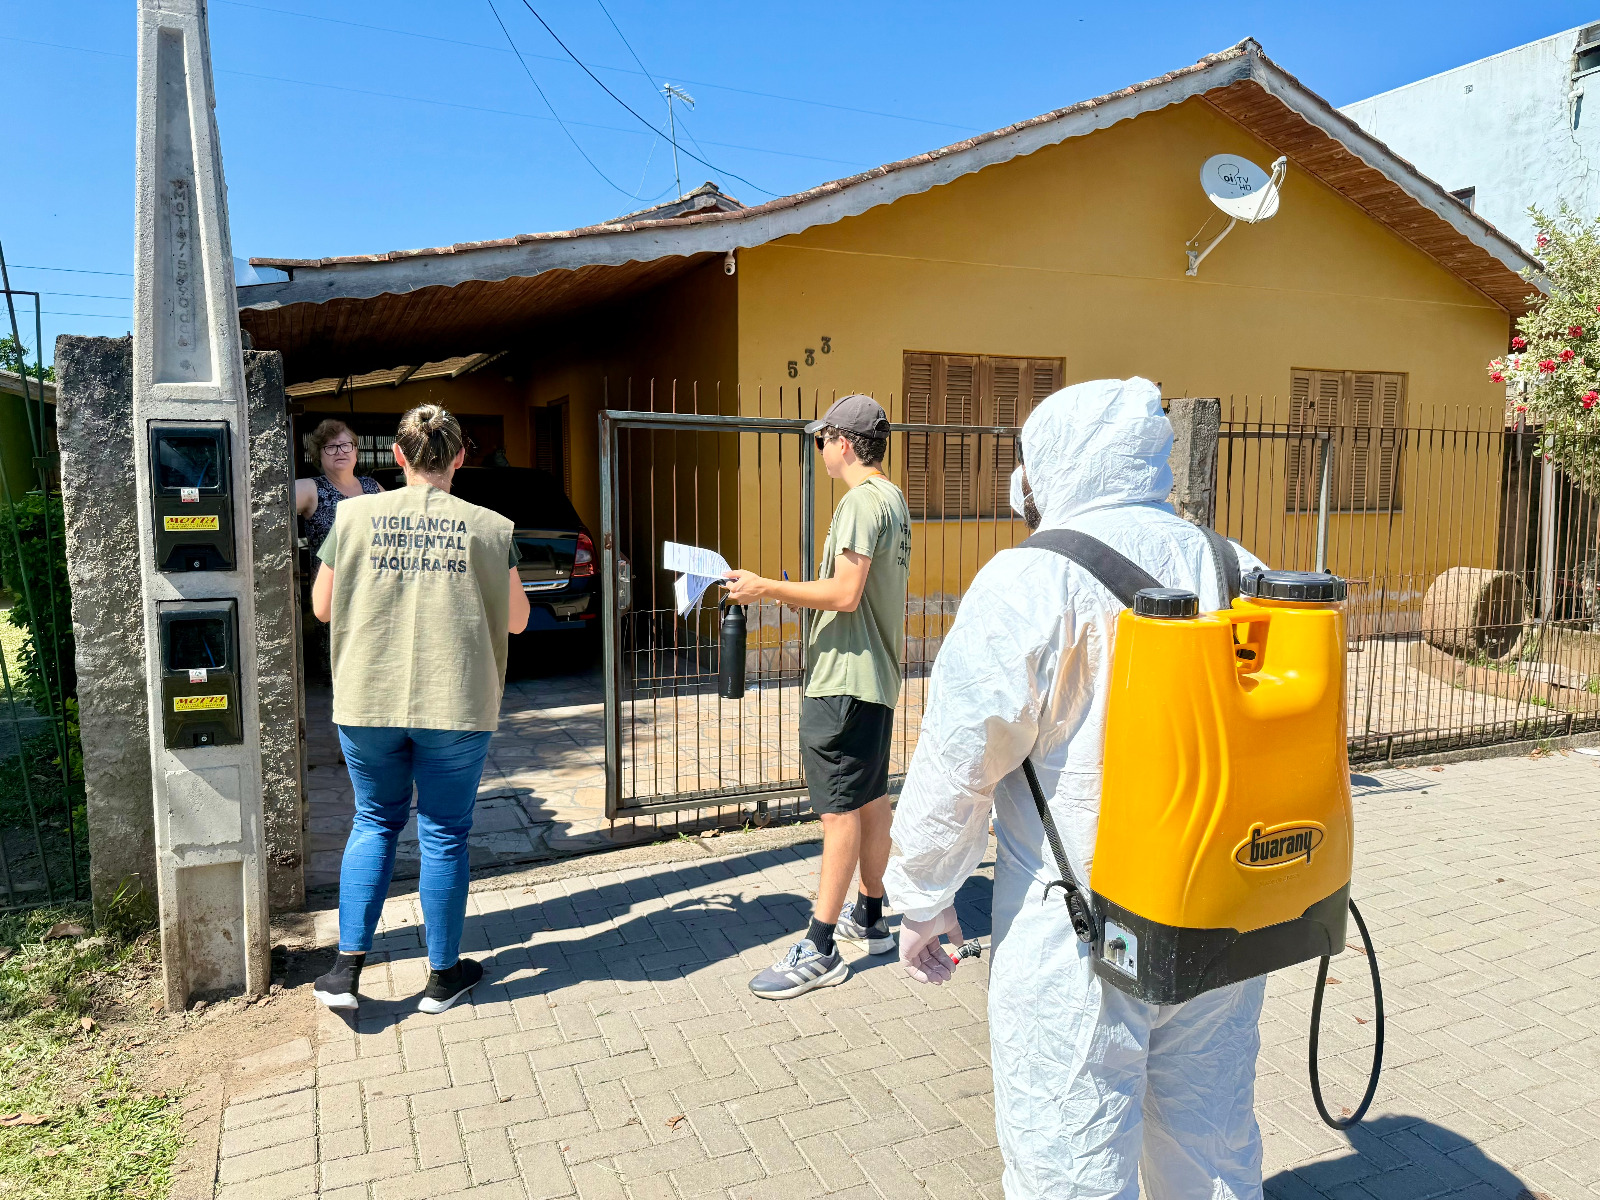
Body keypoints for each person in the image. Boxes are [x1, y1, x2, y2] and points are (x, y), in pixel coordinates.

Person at [884, 378, 1270, 1199]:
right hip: (1227, 909)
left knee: (1070, 1154)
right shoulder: (1239, 565)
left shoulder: (1028, 580)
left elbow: (961, 756)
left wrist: (923, 897)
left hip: (1081, 930)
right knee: (1212, 1141)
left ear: (1053, 462)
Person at [310, 405, 530, 1016]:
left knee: (374, 821)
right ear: (460, 457)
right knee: (443, 835)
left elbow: (322, 608)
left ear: (398, 458)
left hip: (367, 699)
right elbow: (516, 619)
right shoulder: (491, 527)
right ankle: (441, 977)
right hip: (455, 703)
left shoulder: (351, 516)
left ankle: (345, 971)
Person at [724, 394, 911, 1000]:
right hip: (875, 678)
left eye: (822, 438)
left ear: (845, 443)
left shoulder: (861, 501)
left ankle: (822, 944)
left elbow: (846, 592)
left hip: (844, 680)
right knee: (871, 799)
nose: (820, 447)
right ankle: (871, 917)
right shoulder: (892, 500)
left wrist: (765, 587)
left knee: (837, 812)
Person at [296, 419, 384, 560]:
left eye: (346, 445)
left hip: (373, 579)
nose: (340, 451)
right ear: (319, 455)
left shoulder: (373, 486)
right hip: (332, 581)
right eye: (330, 447)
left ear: (355, 451)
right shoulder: (311, 488)